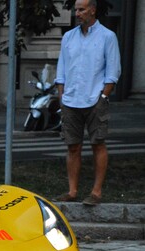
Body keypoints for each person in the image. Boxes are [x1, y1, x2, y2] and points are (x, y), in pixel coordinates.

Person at [54, 0, 121, 206]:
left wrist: (103, 97)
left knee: (97, 144)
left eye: (81, 9)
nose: (77, 13)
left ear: (93, 10)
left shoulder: (107, 37)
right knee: (72, 146)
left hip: (95, 100)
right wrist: (62, 96)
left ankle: (96, 192)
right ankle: (72, 191)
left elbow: (113, 71)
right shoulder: (68, 37)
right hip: (71, 100)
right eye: (76, 9)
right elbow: (61, 69)